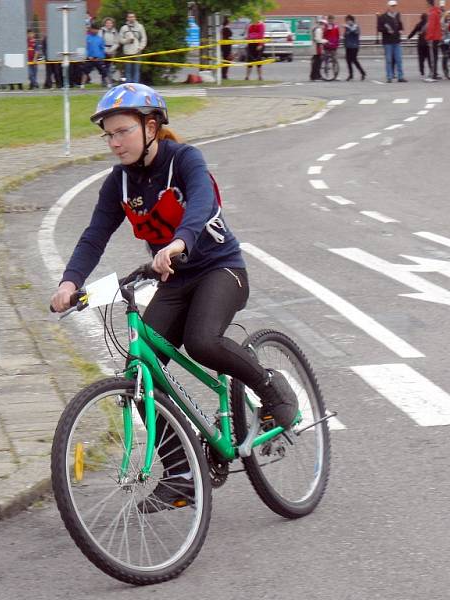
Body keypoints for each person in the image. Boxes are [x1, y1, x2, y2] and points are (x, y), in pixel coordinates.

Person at [49, 84, 300, 509]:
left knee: (203, 341)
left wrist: (180, 242)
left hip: (222, 269)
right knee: (140, 371)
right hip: (174, 280)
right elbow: (95, 234)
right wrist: (69, 282)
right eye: (107, 135)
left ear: (151, 127)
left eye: (122, 132)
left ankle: (273, 390)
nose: (114, 143)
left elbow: (201, 202)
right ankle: (182, 472)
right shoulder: (120, 182)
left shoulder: (184, 160)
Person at [378, 0, 406, 82]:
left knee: (399, 59)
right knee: (389, 60)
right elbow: (379, 28)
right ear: (388, 7)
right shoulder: (382, 17)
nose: (394, 7)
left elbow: (400, 24)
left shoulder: (397, 15)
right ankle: (389, 77)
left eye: (395, 6)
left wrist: (401, 29)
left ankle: (400, 77)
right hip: (387, 42)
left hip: (397, 41)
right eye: (392, 6)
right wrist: (387, 31)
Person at [120, 12, 147, 83]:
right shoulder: (124, 28)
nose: (131, 18)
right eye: (129, 17)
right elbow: (120, 40)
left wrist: (141, 47)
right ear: (127, 18)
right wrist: (127, 40)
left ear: (135, 18)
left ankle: (136, 85)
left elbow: (144, 38)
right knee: (128, 70)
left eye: (132, 17)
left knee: (136, 70)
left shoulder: (140, 27)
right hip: (127, 52)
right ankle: (129, 85)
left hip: (137, 51)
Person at [83, 22, 110, 87]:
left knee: (104, 72)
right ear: (91, 29)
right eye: (94, 29)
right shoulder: (87, 38)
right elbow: (85, 48)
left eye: (97, 29)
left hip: (98, 59)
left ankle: (109, 84)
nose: (96, 31)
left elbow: (102, 49)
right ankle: (82, 85)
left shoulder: (100, 39)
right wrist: (88, 56)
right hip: (90, 58)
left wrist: (100, 57)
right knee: (85, 71)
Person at [343, 15, 366, 80]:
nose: (347, 22)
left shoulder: (356, 26)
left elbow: (357, 33)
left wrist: (350, 29)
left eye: (349, 20)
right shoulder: (347, 27)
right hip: (348, 46)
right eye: (347, 21)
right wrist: (347, 31)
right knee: (348, 61)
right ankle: (350, 74)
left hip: (354, 46)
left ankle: (362, 72)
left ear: (352, 21)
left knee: (354, 60)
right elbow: (345, 35)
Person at [425, 0, 444, 79]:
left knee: (432, 56)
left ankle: (433, 74)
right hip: (437, 37)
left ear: (429, 3)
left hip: (433, 38)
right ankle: (435, 73)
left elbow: (431, 26)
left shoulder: (432, 13)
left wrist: (428, 37)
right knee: (435, 56)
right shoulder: (437, 12)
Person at [408, 13, 430, 78]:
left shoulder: (418, 24)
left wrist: (409, 37)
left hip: (420, 44)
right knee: (429, 58)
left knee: (421, 58)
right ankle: (431, 70)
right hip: (427, 44)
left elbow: (413, 31)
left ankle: (422, 71)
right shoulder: (429, 24)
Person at [100, 17, 121, 82]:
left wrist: (111, 50)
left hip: (112, 51)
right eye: (107, 23)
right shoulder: (102, 31)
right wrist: (105, 50)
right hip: (103, 51)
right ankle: (104, 81)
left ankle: (110, 81)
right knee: (103, 67)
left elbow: (117, 42)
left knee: (110, 67)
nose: (109, 24)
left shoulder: (115, 31)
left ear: (112, 24)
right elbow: (100, 41)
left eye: (110, 23)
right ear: (105, 24)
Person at [245, 16, 265, 80]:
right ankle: (247, 76)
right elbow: (248, 34)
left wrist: (260, 45)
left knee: (258, 61)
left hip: (258, 44)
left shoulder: (261, 25)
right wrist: (247, 42)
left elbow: (261, 35)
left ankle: (260, 76)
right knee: (249, 60)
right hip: (251, 44)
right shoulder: (250, 26)